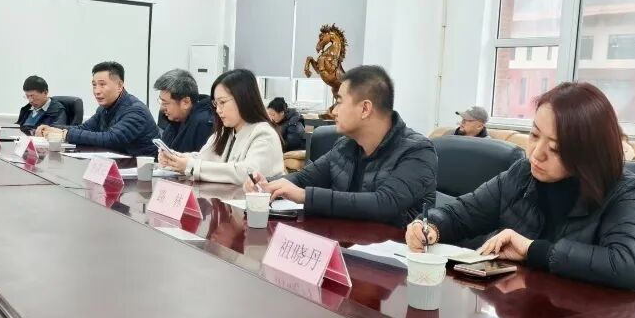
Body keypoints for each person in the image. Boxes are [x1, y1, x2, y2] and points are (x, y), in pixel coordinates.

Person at [406, 82, 635, 290]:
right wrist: (430, 225)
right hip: (521, 308)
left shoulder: (625, 193)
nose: (536, 154)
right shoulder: (521, 174)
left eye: (555, 148)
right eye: (535, 135)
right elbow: (461, 214)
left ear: (588, 153)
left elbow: (628, 266)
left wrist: (532, 249)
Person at [245, 65, 437, 226]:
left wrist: (306, 196)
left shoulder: (417, 151)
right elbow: (304, 178)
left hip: (393, 253)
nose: (333, 111)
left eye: (339, 102)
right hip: (347, 244)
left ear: (365, 108)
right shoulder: (345, 146)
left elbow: (384, 203)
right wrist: (268, 184)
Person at [158, 68, 284, 184]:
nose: (218, 110)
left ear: (243, 99)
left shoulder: (264, 134)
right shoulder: (226, 131)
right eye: (216, 104)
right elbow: (203, 158)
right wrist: (174, 158)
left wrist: (189, 166)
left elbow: (246, 173)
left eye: (222, 102)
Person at [36, 61, 158, 157]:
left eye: (102, 84)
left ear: (119, 85)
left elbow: (111, 139)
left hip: (142, 170)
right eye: (94, 85)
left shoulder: (135, 111)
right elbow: (84, 128)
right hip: (117, 164)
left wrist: (65, 134)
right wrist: (53, 128)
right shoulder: (103, 109)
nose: (97, 91)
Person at [153, 69, 214, 153]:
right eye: (161, 102)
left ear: (186, 102)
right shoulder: (175, 120)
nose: (162, 108)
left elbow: (201, 159)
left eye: (165, 103)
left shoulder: (204, 124)